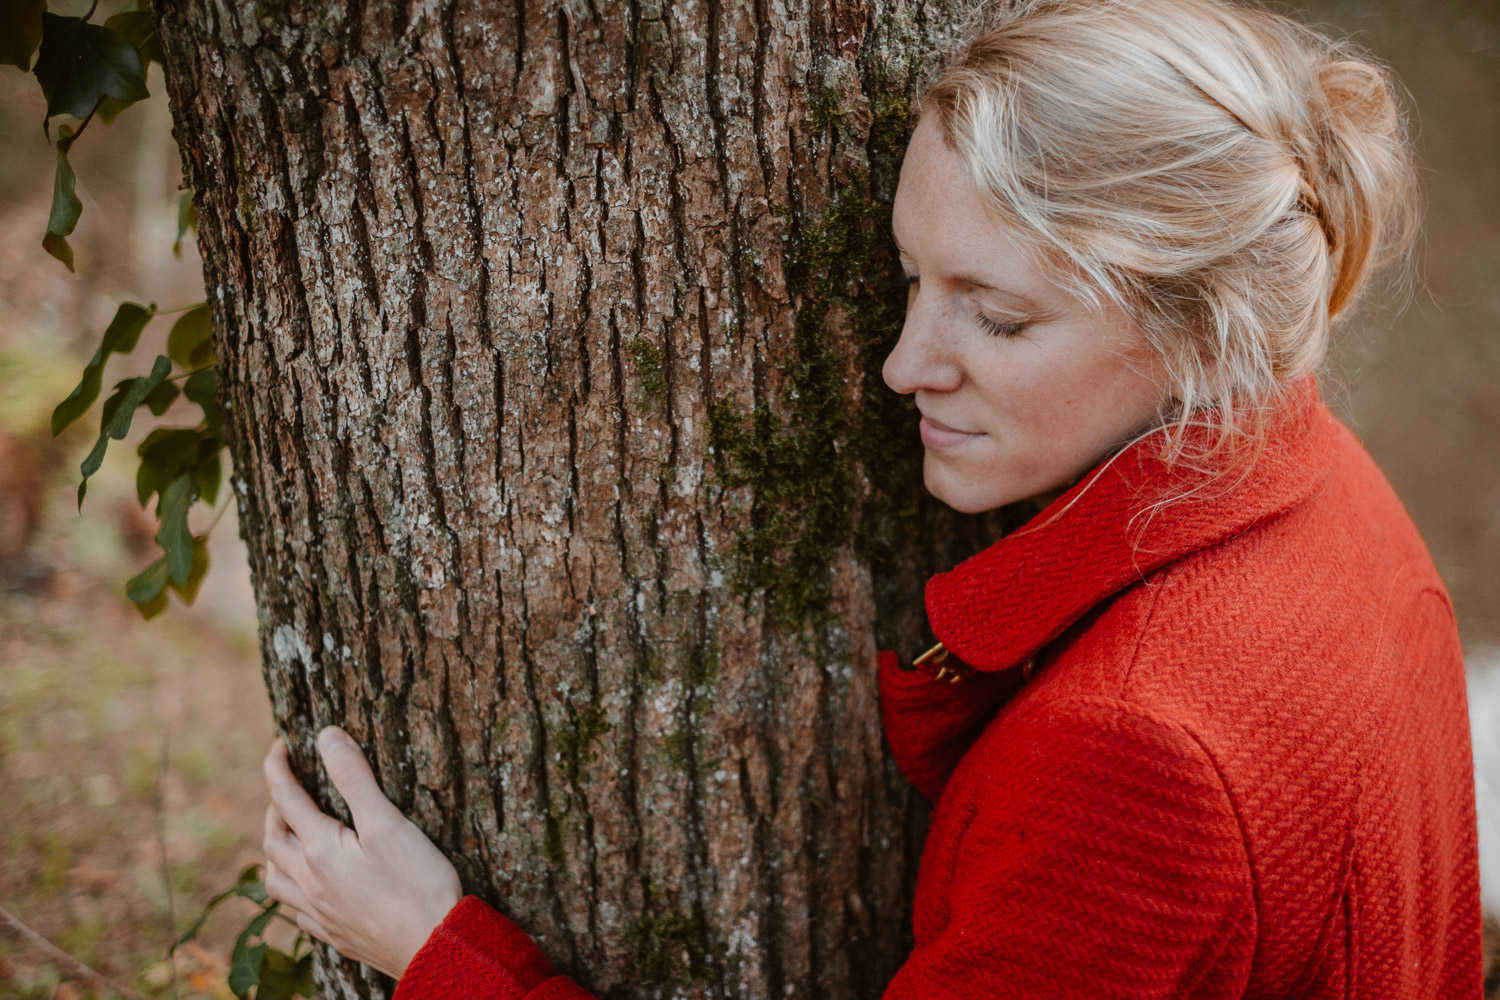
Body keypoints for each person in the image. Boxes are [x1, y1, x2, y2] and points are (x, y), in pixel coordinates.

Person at [259, 0, 1486, 995]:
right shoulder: (1326, 486)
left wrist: (441, 957)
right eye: (910, 276)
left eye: (999, 316)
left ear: (1196, 328)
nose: (905, 365)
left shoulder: (1135, 757)